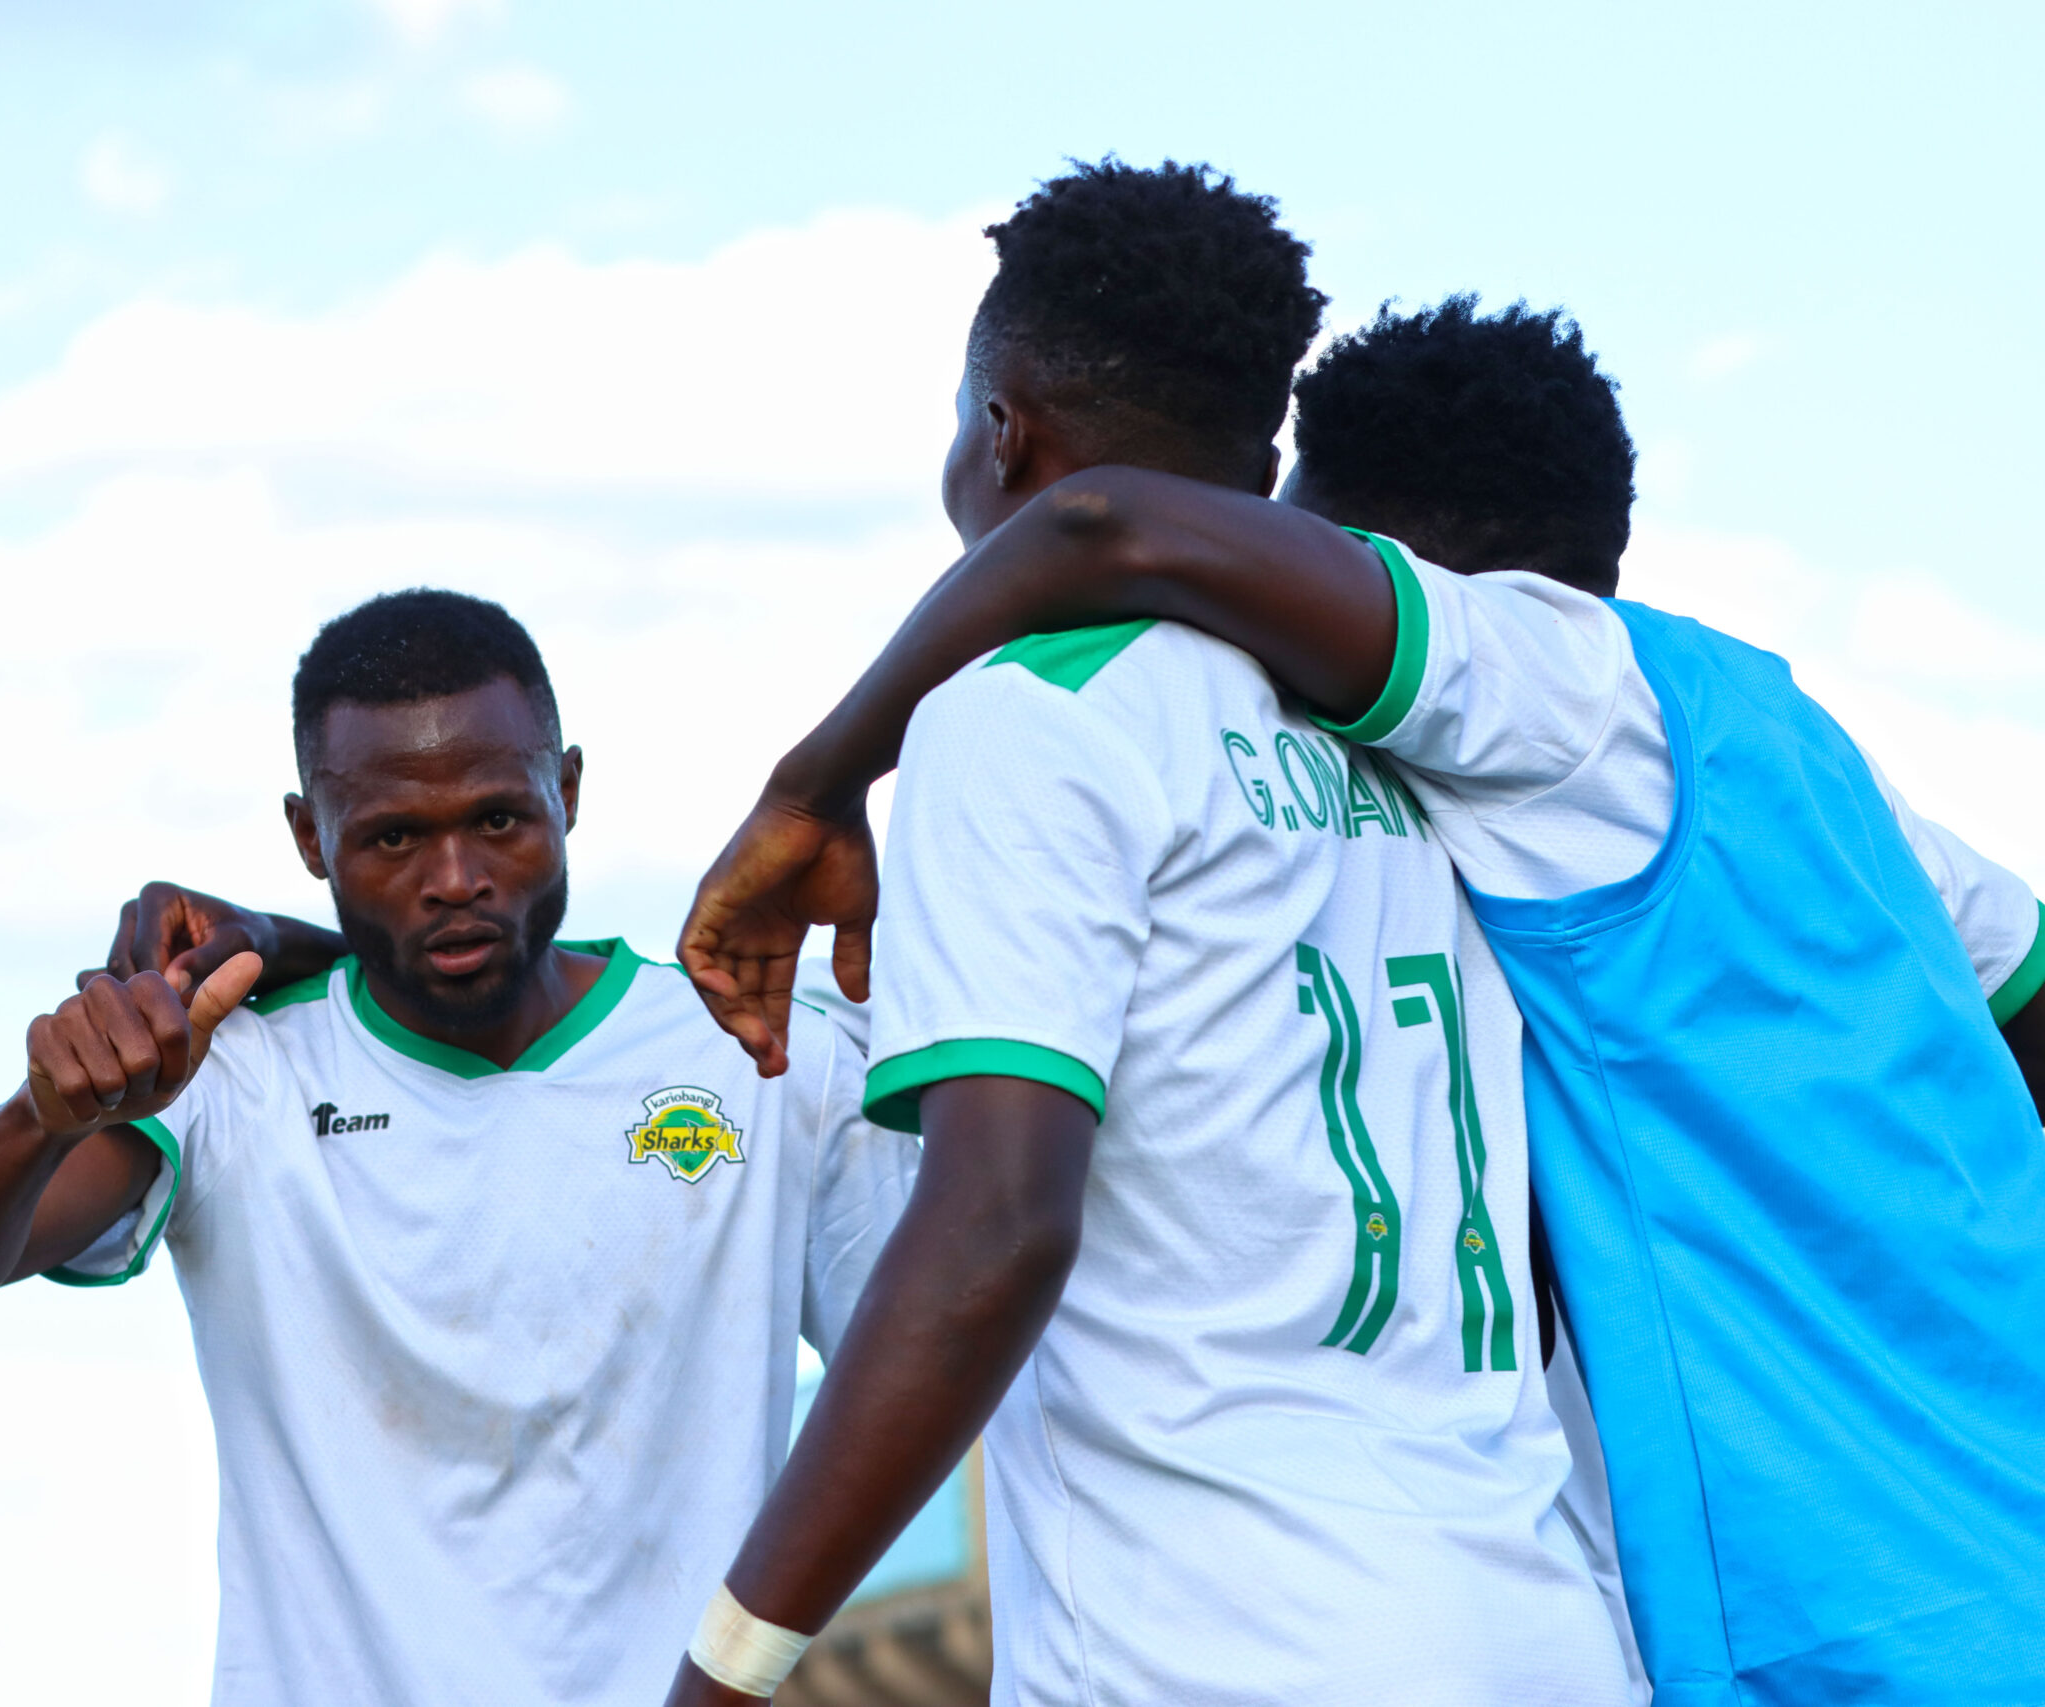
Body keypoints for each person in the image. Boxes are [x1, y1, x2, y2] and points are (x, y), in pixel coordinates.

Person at [679, 296, 2045, 1703]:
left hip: (1830, 1626)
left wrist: (820, 777)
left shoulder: (1538, 682)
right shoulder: (1789, 747)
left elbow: (1101, 529)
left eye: (1295, 560)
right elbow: (2019, 967)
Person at [660, 160, 1637, 1707]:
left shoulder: (1028, 711)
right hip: (1540, 1620)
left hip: (1226, 1643)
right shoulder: (1418, 748)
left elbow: (995, 1227)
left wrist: (726, 1667)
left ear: (1000, 430)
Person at [0, 590, 918, 1707]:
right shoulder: (239, 1075)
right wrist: (41, 1114)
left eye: (500, 820)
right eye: (393, 838)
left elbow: (924, 1364)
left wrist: (747, 1661)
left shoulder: (755, 1056)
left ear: (566, 792)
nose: (454, 876)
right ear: (309, 838)